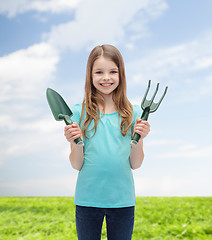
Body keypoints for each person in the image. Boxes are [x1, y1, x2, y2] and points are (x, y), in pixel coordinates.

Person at [64, 45, 150, 240]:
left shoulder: (134, 113)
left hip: (122, 200)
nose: (106, 78)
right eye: (99, 72)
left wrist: (140, 138)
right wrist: (75, 142)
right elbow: (76, 164)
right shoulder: (78, 113)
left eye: (113, 71)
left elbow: (135, 164)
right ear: (90, 75)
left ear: (121, 75)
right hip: (87, 199)